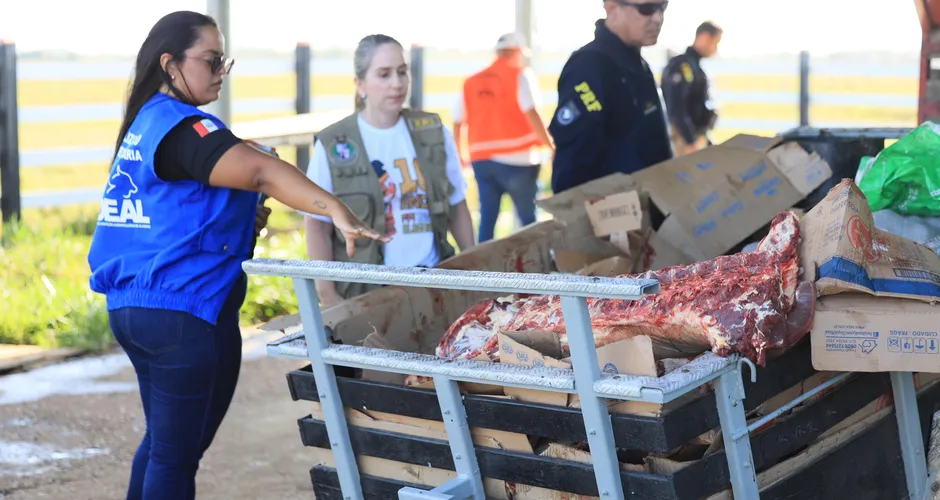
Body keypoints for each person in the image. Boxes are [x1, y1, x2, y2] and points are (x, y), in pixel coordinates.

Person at [85, 11, 386, 500]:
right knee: (175, 457)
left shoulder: (148, 124)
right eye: (210, 60)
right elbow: (262, 172)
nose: (220, 70)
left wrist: (237, 217)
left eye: (224, 60)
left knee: (164, 446)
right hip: (180, 313)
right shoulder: (185, 129)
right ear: (169, 64)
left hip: (137, 308)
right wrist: (334, 208)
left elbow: (177, 210)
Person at [303, 34, 475, 306]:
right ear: (360, 84)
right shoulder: (335, 144)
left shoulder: (433, 131)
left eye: (402, 72)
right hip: (367, 294)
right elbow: (316, 225)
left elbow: (456, 205)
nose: (397, 83)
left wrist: (474, 269)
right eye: (384, 74)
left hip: (433, 283)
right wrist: (328, 294)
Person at [548, 0, 673, 194]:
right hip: (611, 214)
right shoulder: (590, 65)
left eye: (662, 7)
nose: (658, 18)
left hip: (647, 209)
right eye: (646, 9)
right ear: (613, 7)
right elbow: (573, 160)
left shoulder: (636, 64)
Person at [452, 32, 553, 243]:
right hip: (519, 161)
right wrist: (550, 145)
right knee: (528, 222)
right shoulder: (520, 75)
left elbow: (457, 120)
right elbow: (531, 112)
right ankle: (534, 268)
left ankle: (481, 269)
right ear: (517, 52)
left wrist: (460, 156)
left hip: (482, 161)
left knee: (487, 220)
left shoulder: (472, 81)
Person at [661, 21, 722, 155]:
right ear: (705, 37)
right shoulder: (681, 66)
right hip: (684, 140)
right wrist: (690, 141)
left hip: (696, 136)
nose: (715, 49)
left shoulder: (696, 67)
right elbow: (676, 107)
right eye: (715, 43)